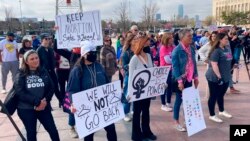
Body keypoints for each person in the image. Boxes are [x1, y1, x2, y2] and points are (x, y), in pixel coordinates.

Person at [68, 40, 117, 141]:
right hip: (88, 108)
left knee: (111, 129)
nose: (94, 55)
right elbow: (71, 90)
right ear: (84, 54)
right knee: (89, 135)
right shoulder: (77, 70)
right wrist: (72, 103)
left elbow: (107, 83)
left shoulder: (99, 66)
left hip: (103, 106)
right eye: (91, 53)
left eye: (95, 52)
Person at [15, 50, 60, 141]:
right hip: (26, 109)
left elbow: (52, 87)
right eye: (32, 59)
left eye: (36, 58)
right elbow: (20, 91)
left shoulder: (43, 71)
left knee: (53, 131)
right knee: (31, 133)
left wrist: (45, 101)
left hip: (43, 107)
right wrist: (37, 102)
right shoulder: (21, 73)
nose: (36, 60)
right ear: (26, 62)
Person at [128, 36, 157, 141]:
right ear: (142, 44)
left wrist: (158, 84)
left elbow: (152, 72)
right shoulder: (134, 59)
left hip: (147, 91)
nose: (149, 44)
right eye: (147, 42)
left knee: (146, 111)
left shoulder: (149, 56)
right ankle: (136, 135)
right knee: (137, 113)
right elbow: (131, 77)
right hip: (137, 92)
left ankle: (147, 131)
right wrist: (130, 93)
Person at [172, 29, 199, 132]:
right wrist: (179, 82)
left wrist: (195, 77)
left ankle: (188, 120)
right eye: (189, 36)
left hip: (189, 78)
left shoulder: (191, 48)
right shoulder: (177, 51)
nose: (191, 38)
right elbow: (175, 68)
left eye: (191, 36)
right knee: (179, 100)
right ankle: (176, 121)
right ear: (182, 38)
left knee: (188, 100)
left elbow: (194, 64)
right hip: (179, 80)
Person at [206, 33, 233, 123]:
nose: (227, 40)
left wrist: (234, 64)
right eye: (225, 39)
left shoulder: (227, 49)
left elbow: (229, 60)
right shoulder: (216, 51)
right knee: (213, 96)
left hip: (226, 76)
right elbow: (214, 64)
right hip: (215, 77)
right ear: (220, 40)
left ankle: (221, 111)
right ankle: (212, 115)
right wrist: (219, 77)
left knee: (221, 95)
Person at [37, 33, 63, 107]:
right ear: (42, 40)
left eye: (49, 39)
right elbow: (38, 62)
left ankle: (61, 101)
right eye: (46, 39)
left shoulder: (50, 49)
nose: (48, 40)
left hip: (52, 71)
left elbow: (52, 59)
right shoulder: (39, 50)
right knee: (47, 89)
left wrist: (56, 62)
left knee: (56, 87)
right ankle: (48, 104)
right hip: (44, 73)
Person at [198, 31, 218, 99]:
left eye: (215, 36)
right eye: (212, 36)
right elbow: (200, 51)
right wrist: (204, 59)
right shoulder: (209, 44)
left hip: (219, 65)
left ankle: (217, 95)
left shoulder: (220, 44)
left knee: (218, 80)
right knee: (210, 80)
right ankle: (209, 96)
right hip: (210, 65)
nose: (213, 37)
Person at [121, 33, 135, 122]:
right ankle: (125, 112)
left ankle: (133, 110)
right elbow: (124, 66)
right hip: (129, 76)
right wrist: (131, 65)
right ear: (130, 42)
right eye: (135, 40)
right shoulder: (126, 53)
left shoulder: (139, 51)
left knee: (136, 94)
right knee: (127, 95)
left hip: (137, 76)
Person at [159, 32, 175, 112]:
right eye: (171, 38)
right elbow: (167, 60)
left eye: (172, 37)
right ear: (167, 39)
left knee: (170, 87)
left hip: (171, 70)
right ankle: (163, 104)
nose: (172, 39)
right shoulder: (163, 48)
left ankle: (168, 102)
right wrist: (175, 61)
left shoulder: (173, 47)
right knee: (164, 87)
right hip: (164, 70)